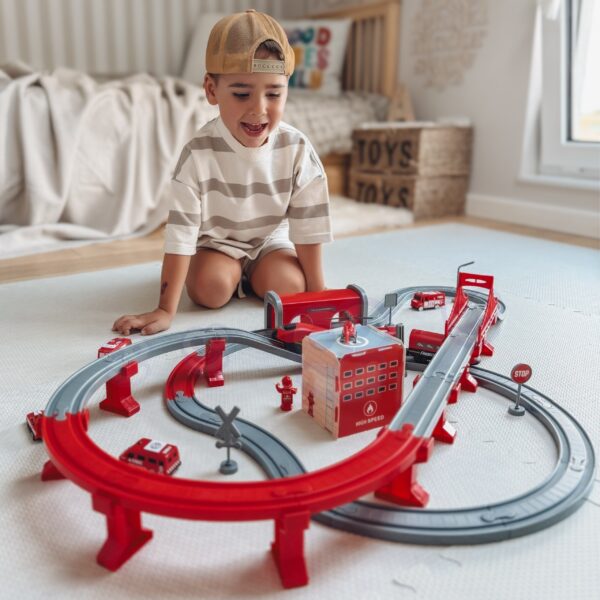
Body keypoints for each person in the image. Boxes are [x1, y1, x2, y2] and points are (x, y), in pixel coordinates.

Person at [113, 9, 332, 336]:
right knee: (209, 290)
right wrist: (165, 309)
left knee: (290, 288)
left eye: (274, 94)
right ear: (212, 90)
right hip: (217, 244)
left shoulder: (297, 149)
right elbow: (181, 234)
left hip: (269, 242)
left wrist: (318, 295)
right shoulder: (198, 154)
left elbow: (308, 226)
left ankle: (252, 275)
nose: (259, 109)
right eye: (242, 94)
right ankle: (229, 274)